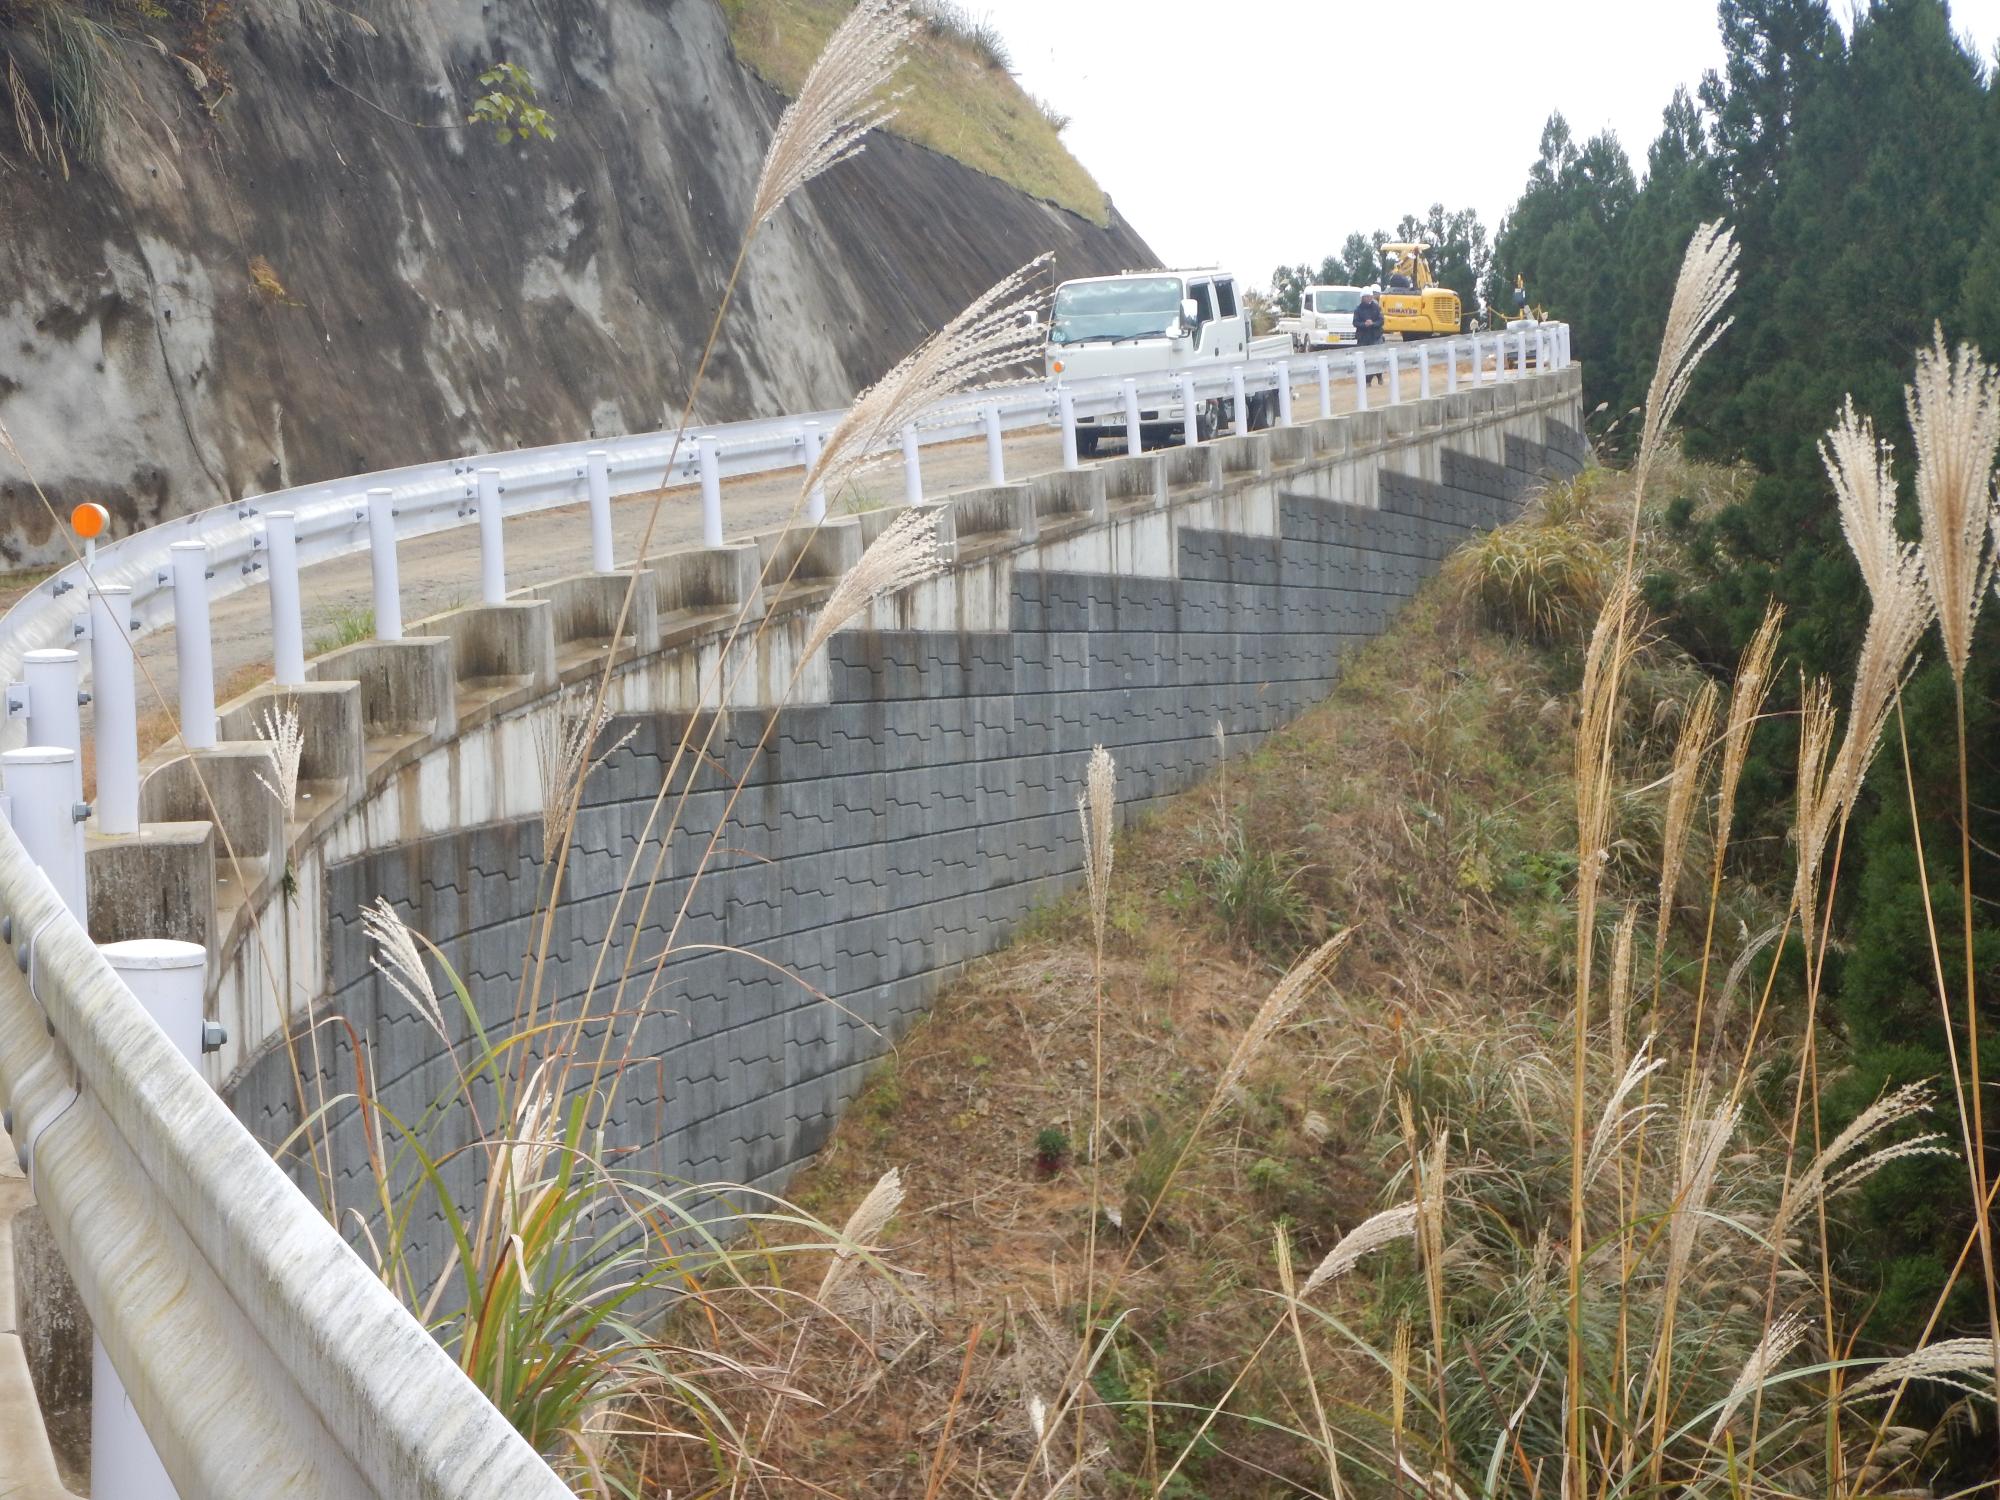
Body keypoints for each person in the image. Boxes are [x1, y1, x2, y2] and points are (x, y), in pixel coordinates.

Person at [1352, 292, 1385, 383]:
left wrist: (1373, 324)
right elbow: (1355, 322)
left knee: (1377, 358)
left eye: (1370, 296)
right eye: (1366, 297)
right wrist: (1364, 324)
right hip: (1363, 338)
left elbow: (1381, 320)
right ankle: (1367, 380)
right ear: (1362, 297)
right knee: (1364, 360)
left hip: (1376, 337)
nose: (1369, 298)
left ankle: (1379, 376)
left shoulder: (1377, 308)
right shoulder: (1358, 309)